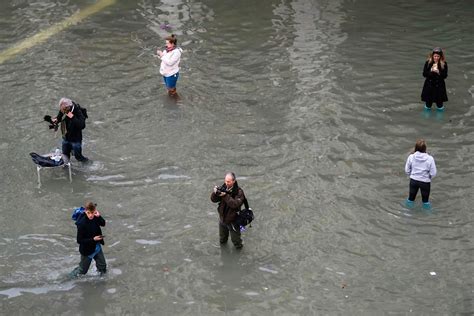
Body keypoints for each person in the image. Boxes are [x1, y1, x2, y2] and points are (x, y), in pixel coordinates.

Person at [69, 202, 107, 277]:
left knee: (102, 266)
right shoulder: (82, 224)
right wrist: (93, 239)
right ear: (85, 211)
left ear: (95, 211)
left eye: (92, 213)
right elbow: (79, 240)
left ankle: (102, 282)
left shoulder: (95, 217)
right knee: (82, 271)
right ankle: (68, 278)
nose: (90, 215)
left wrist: (99, 216)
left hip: (97, 247)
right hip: (87, 251)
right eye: (88, 213)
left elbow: (103, 224)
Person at [210, 172, 245, 249]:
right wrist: (215, 193)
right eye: (225, 181)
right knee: (222, 240)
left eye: (228, 182)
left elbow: (235, 204)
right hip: (222, 219)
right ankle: (223, 254)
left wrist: (225, 195)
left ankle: (239, 255)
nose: (226, 183)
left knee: (236, 242)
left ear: (234, 181)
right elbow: (213, 200)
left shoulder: (239, 192)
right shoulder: (223, 188)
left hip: (233, 221)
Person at [52, 97, 88, 162]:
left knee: (78, 157)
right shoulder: (64, 108)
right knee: (65, 155)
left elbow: (82, 125)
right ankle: (66, 167)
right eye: (61, 110)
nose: (62, 111)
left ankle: (88, 163)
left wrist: (72, 116)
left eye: (63, 110)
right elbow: (59, 116)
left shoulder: (77, 111)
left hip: (76, 139)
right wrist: (56, 121)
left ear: (68, 108)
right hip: (66, 137)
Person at [405, 139, 437, 209]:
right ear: (425, 148)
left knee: (410, 199)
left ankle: (406, 214)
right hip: (425, 182)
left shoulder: (411, 157)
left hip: (413, 181)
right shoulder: (430, 159)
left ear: (416, 147)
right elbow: (433, 173)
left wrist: (412, 175)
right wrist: (428, 177)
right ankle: (428, 216)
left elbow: (407, 170)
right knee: (425, 202)